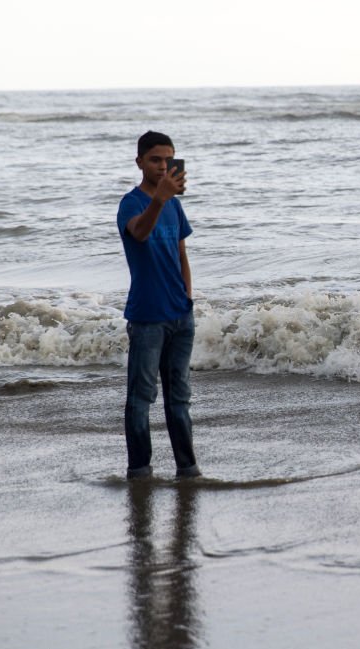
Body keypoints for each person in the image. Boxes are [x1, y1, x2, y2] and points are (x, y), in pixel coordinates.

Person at [117, 131, 200, 479]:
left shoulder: (175, 205)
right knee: (141, 398)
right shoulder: (132, 204)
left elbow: (182, 253)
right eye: (155, 159)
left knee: (179, 398)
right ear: (139, 162)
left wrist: (188, 296)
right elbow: (139, 233)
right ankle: (139, 471)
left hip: (181, 316)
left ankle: (188, 468)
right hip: (148, 317)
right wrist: (159, 200)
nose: (163, 166)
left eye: (168, 159)